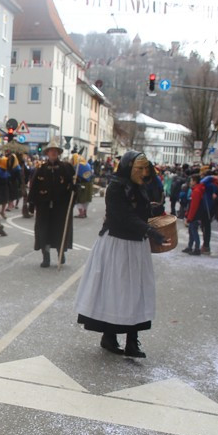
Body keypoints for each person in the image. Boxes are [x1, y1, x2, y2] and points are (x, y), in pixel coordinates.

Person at [74, 152, 170, 358]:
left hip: (136, 246)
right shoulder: (116, 188)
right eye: (139, 169)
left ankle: (132, 342)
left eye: (146, 169)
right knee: (116, 292)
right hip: (117, 245)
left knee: (136, 292)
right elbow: (124, 216)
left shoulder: (140, 187)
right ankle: (109, 337)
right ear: (128, 167)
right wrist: (150, 230)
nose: (144, 173)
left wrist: (152, 211)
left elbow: (136, 213)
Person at [28, 141, 75, 267]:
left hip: (61, 206)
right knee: (44, 231)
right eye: (51, 150)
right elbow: (34, 188)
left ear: (59, 153)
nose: (53, 152)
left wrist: (76, 188)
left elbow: (73, 184)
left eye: (56, 150)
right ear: (47, 153)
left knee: (59, 230)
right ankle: (46, 256)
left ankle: (61, 253)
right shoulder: (41, 169)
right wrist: (31, 204)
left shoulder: (66, 168)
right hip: (44, 206)